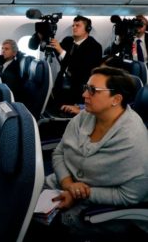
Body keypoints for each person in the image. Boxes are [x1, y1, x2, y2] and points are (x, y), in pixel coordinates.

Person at [44, 67, 148, 240]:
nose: (85, 95)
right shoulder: (85, 116)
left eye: (93, 90)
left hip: (97, 211)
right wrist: (69, 183)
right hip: (58, 185)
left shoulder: (133, 139)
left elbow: (129, 195)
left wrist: (81, 193)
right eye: (86, 87)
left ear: (116, 99)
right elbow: (59, 152)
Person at [49, 15, 102, 107]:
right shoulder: (68, 41)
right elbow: (57, 52)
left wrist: (61, 51)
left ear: (87, 28)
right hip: (60, 86)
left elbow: (81, 68)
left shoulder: (94, 47)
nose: (74, 27)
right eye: (73, 25)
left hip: (78, 89)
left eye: (78, 25)